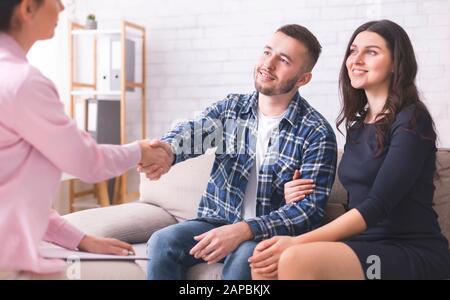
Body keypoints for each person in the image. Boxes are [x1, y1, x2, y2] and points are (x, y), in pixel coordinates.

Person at [249, 19, 450, 280]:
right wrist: (295, 197)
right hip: (362, 245)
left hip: (409, 251)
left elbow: (377, 205)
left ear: (395, 64)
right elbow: (354, 202)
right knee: (264, 261)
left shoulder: (411, 120)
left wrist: (297, 243)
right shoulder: (357, 126)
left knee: (294, 258)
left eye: (372, 52)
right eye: (353, 51)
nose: (356, 59)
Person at [140, 24, 338, 280]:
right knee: (161, 243)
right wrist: (167, 150)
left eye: (284, 60)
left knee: (245, 259)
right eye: (267, 52)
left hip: (268, 234)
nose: (269, 64)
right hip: (217, 222)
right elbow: (194, 132)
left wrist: (244, 230)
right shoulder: (232, 109)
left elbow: (308, 211)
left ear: (303, 79)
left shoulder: (316, 133)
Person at [0, 0, 172, 279]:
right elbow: (86, 161)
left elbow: (13, 192)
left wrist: (81, 240)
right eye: (56, 1)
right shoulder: (22, 83)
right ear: (28, 8)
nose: (63, 8)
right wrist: (139, 151)